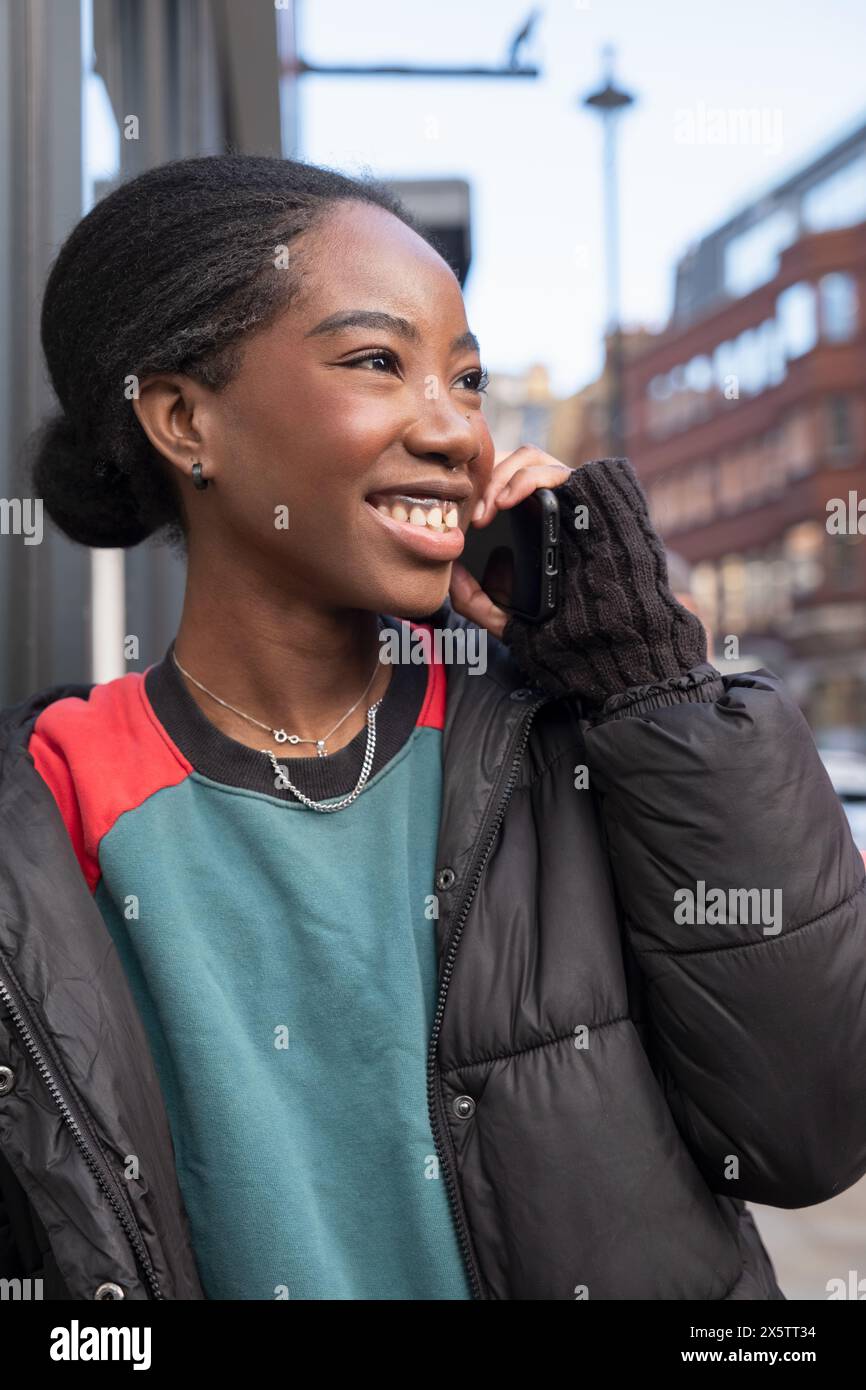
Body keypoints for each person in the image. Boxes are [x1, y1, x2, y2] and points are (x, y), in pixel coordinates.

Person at [1, 154, 864, 1302]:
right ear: (180, 418)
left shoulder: (578, 745)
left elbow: (809, 1130)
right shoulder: (47, 815)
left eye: (465, 380)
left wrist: (652, 690)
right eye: (376, 362)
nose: (454, 431)